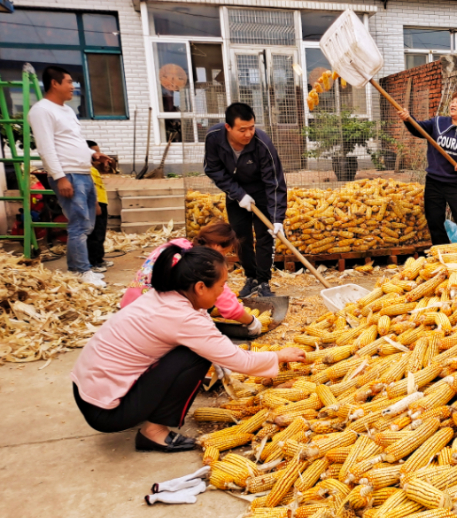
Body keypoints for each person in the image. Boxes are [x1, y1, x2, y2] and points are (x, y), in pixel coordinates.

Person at [71, 245, 306, 452]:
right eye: (222, 286)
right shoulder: (182, 317)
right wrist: (277, 355)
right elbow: (239, 360)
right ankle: (153, 433)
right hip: (104, 412)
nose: (224, 291)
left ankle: (141, 411)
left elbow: (209, 334)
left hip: (88, 391)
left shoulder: (166, 294)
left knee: (195, 351)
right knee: (194, 356)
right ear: (201, 287)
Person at [28, 66, 112, 287]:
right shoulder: (42, 110)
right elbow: (46, 148)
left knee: (87, 224)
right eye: (68, 82)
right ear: (54, 83)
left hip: (83, 172)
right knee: (79, 225)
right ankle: (80, 271)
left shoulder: (66, 110)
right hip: (68, 175)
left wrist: (94, 155)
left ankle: (81, 268)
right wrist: (59, 176)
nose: (73, 87)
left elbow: (74, 142)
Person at [119, 221, 263, 336]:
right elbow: (226, 303)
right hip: (146, 321)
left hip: (128, 308)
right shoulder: (201, 262)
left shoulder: (177, 245)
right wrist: (251, 321)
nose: (223, 257)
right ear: (217, 246)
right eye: (225, 252)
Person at [203, 103, 287, 298]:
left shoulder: (263, 143)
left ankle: (264, 281)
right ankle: (251, 278)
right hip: (236, 193)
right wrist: (238, 194)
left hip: (262, 193)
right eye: (242, 130)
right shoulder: (214, 138)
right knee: (241, 237)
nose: (248, 134)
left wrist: (277, 218)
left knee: (265, 236)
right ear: (228, 128)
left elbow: (275, 182)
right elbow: (212, 169)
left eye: (251, 127)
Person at [397, 91, 457, 245]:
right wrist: (408, 119)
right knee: (434, 221)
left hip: (456, 184)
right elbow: (418, 128)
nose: (452, 104)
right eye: (452, 101)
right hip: (434, 181)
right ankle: (442, 252)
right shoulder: (438, 123)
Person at [86, 140, 112, 273]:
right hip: (95, 203)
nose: (98, 154)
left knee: (101, 232)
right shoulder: (85, 170)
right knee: (95, 233)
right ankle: (93, 262)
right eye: (95, 151)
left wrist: (105, 164)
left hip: (102, 201)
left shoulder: (93, 168)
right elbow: (90, 188)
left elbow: (107, 171)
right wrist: (95, 203)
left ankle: (100, 259)